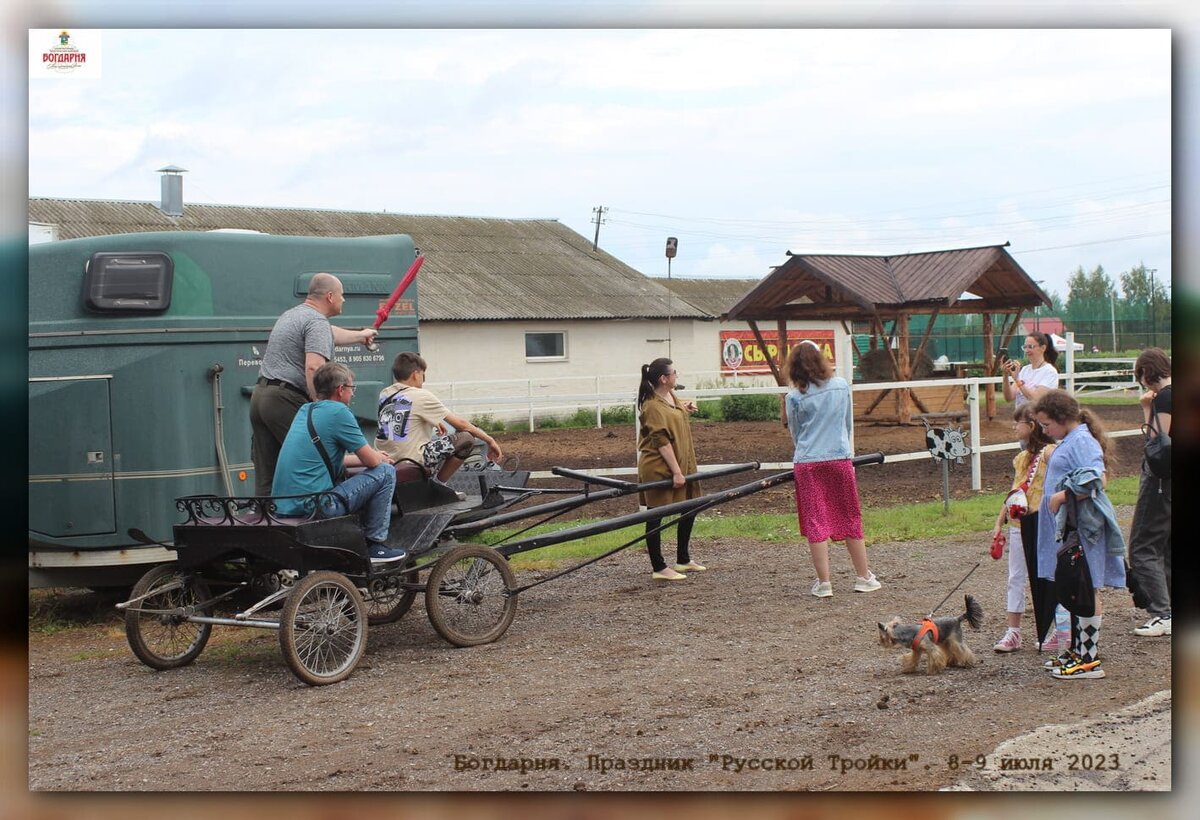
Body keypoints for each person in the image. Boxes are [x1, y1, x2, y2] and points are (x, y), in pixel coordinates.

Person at [250, 272, 378, 496]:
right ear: (330, 296)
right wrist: (319, 406)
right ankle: (324, 517)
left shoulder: (294, 315)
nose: (344, 300)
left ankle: (266, 520)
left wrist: (361, 335)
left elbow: (330, 333)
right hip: (286, 399)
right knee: (319, 458)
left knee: (269, 469)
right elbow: (314, 367)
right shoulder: (316, 321)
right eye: (342, 295)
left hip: (261, 397)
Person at [1032, 389, 1125, 680]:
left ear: (1062, 418)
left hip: (1083, 529)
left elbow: (1097, 478)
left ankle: (1089, 658)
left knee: (1087, 587)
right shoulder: (1071, 439)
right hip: (1070, 530)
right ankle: (1078, 648)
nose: (1045, 431)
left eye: (1047, 424)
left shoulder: (1082, 441)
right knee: (1076, 586)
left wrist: (1063, 495)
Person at [272, 362, 404, 564]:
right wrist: (379, 457)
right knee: (386, 472)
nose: (352, 394)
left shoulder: (305, 410)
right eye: (352, 389)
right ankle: (375, 545)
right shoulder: (339, 412)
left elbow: (322, 458)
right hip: (316, 505)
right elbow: (371, 461)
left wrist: (374, 456)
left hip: (283, 505)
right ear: (341, 390)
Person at [785, 340, 880, 598]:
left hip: (807, 461)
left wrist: (806, 448)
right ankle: (864, 576)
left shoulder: (794, 396)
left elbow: (795, 431)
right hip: (839, 457)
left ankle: (824, 582)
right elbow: (847, 422)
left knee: (816, 520)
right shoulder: (840, 386)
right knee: (850, 515)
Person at [375, 351, 503, 488]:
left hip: (386, 458)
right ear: (416, 374)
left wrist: (433, 421)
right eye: (423, 375)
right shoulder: (421, 395)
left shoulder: (386, 394)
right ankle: (439, 486)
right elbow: (462, 425)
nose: (423, 380)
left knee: (439, 437)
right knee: (465, 439)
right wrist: (489, 440)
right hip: (411, 460)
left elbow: (400, 422)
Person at [990, 403, 1057, 653]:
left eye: (1017, 422)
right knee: (1016, 576)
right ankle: (1014, 631)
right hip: (1019, 525)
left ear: (1030, 426)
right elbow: (1014, 492)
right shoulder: (1022, 458)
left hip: (1043, 524)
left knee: (1048, 576)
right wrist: (999, 522)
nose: (1013, 427)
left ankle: (1056, 629)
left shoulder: (1051, 454)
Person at [636, 358, 705, 581]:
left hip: (683, 462)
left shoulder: (669, 396)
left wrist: (684, 407)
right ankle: (659, 567)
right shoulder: (651, 406)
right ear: (663, 379)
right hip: (660, 466)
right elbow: (661, 441)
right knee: (656, 514)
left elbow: (670, 412)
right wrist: (676, 472)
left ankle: (683, 559)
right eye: (674, 373)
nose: (677, 375)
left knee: (690, 506)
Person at [1128, 348, 1172, 637]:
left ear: (1146, 373)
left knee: (1142, 546)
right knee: (1167, 545)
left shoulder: (1166, 397)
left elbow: (1159, 442)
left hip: (1160, 480)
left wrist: (1147, 410)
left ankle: (1161, 612)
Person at [1001, 331, 1059, 408]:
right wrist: (1005, 375)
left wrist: (1017, 380)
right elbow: (1009, 397)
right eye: (1025, 347)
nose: (1027, 350)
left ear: (1043, 348)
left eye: (1030, 347)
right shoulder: (1025, 370)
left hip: (1038, 419)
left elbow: (1035, 398)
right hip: (1021, 419)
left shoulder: (1050, 371)